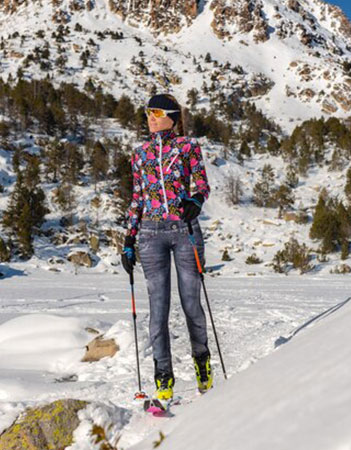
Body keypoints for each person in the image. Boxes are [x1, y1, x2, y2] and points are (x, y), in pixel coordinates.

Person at [121, 93, 212, 401]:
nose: (151, 118)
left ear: (172, 116)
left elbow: (202, 185)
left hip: (184, 230)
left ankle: (202, 362)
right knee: (157, 310)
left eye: (157, 113)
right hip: (150, 234)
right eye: (147, 114)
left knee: (191, 305)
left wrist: (196, 202)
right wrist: (129, 238)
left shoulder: (188, 147)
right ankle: (163, 377)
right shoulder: (140, 153)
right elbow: (137, 198)